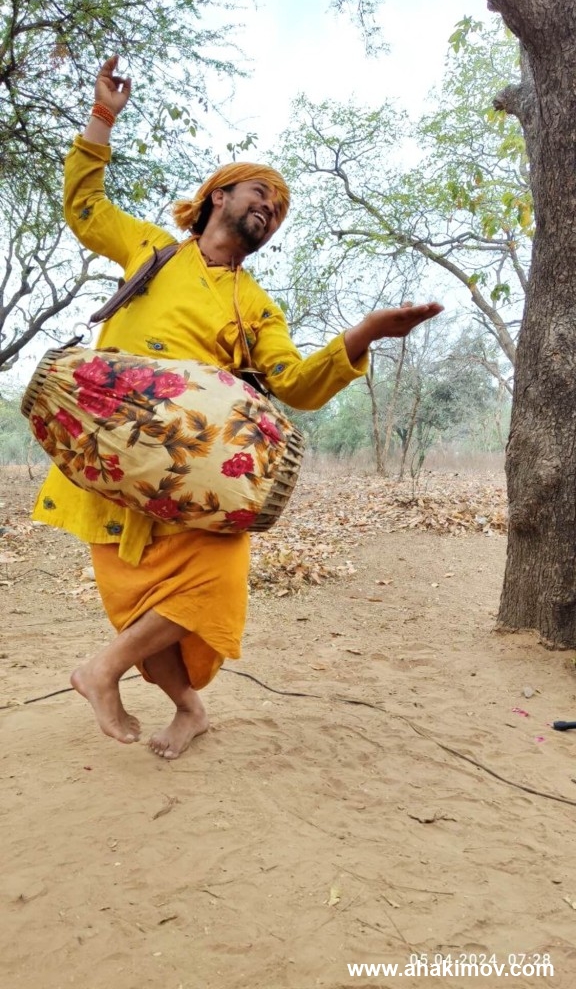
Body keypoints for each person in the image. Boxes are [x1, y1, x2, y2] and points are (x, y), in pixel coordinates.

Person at [33, 56, 443, 759]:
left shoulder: (256, 306)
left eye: (277, 211)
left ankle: (100, 671)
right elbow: (84, 208)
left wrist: (363, 335)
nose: (270, 210)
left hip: (193, 468)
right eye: (260, 194)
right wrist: (102, 118)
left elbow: (297, 383)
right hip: (110, 454)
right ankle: (188, 711)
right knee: (135, 601)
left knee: (213, 584)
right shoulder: (152, 251)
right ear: (218, 195)